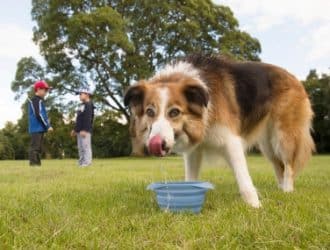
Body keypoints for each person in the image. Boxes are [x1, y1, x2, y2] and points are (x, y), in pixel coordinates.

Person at [28, 80, 53, 166]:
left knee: (38, 148)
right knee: (35, 147)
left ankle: (37, 165)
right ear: (38, 89)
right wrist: (47, 126)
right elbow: (38, 114)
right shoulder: (36, 100)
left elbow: (44, 115)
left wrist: (47, 125)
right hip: (36, 128)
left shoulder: (40, 101)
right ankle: (34, 165)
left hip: (40, 128)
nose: (46, 92)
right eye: (45, 90)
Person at [71, 88, 94, 167]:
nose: (79, 96)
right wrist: (75, 129)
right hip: (79, 131)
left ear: (87, 95)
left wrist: (85, 129)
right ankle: (81, 162)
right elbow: (79, 119)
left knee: (85, 147)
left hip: (85, 131)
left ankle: (87, 163)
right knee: (80, 148)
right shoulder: (82, 106)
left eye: (81, 94)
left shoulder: (89, 105)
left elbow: (88, 119)